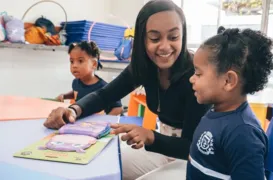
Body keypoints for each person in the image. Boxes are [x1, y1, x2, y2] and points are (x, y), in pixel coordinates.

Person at [44, 0, 209, 179]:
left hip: (193, 159)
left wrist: (150, 136)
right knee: (102, 165)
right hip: (163, 149)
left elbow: (192, 146)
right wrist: (73, 110)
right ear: (142, 39)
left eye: (173, 37)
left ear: (183, 36)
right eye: (154, 38)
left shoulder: (195, 77)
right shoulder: (145, 67)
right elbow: (104, 95)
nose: (164, 46)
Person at [187, 28, 273, 179]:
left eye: (198, 74)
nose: (192, 79)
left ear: (228, 81)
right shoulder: (216, 112)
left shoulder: (243, 134)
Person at [55, 41, 123, 116]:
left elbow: (118, 108)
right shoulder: (76, 82)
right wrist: (64, 96)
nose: (74, 65)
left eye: (80, 61)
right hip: (80, 122)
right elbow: (77, 92)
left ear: (94, 64)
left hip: (96, 125)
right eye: (72, 61)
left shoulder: (104, 87)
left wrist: (104, 122)